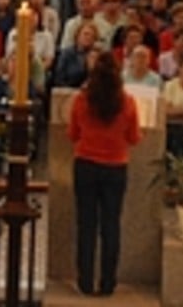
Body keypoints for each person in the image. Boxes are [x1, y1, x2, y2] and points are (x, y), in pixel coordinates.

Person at [68, 51, 141, 297]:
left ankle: (85, 281)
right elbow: (134, 138)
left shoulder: (82, 100)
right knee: (111, 225)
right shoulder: (127, 102)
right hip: (115, 167)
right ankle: (108, 282)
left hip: (86, 164)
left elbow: (72, 134)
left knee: (86, 224)